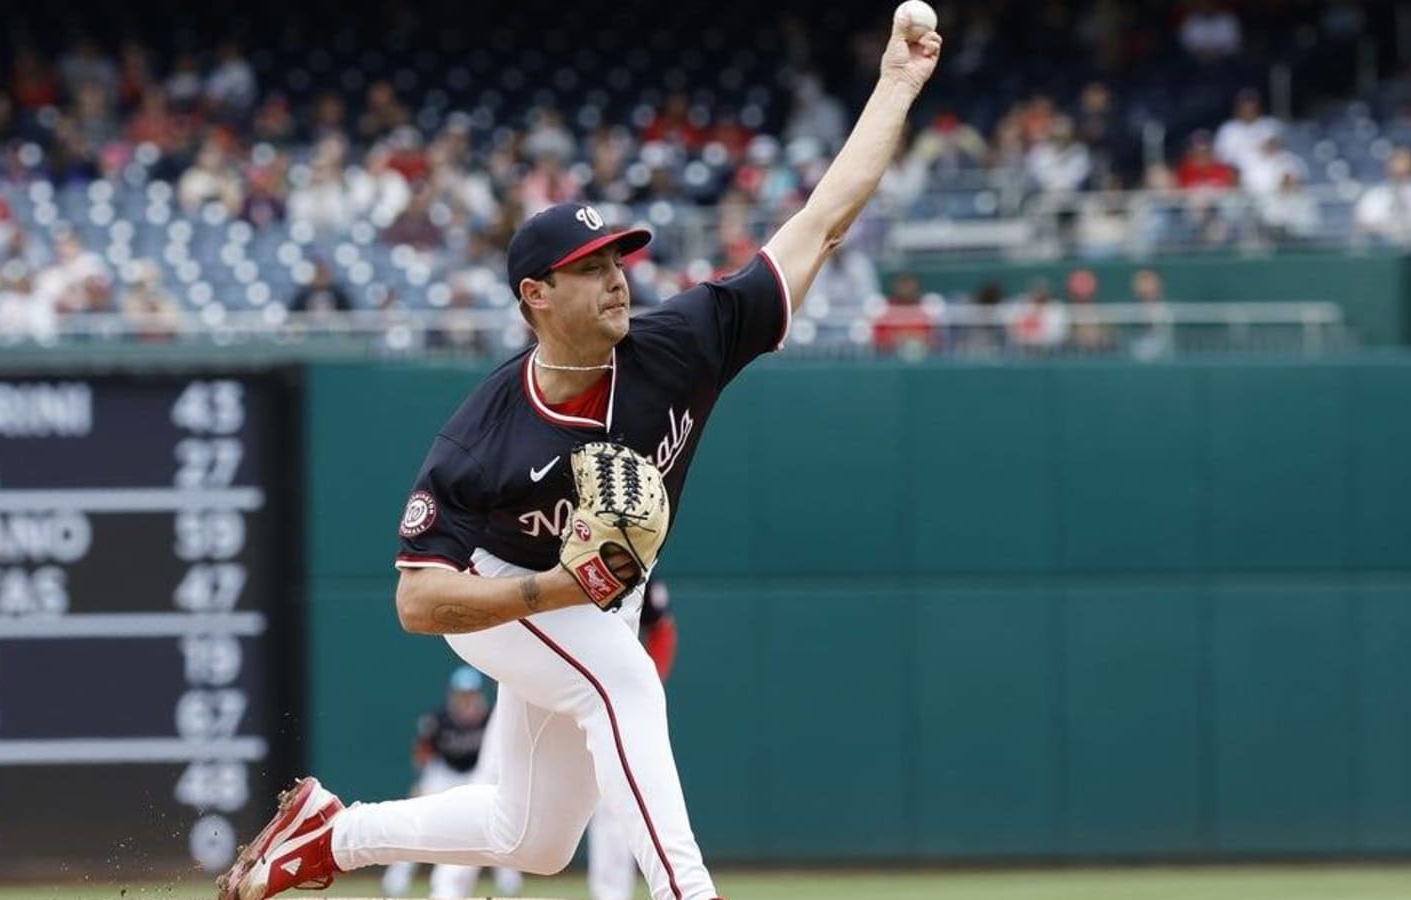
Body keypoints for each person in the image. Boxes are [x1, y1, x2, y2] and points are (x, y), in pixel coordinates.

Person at [218, 13, 943, 900]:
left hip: (596, 597)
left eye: (619, 257)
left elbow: (822, 222)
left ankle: (333, 836)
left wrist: (897, 86)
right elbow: (416, 600)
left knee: (532, 834)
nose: (618, 278)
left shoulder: (680, 342)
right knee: (623, 681)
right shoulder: (485, 433)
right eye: (592, 265)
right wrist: (553, 591)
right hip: (503, 585)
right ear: (536, 295)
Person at [379, 667, 525, 899]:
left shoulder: (491, 719)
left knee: (495, 819)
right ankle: (398, 878)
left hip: (476, 776)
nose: (466, 698)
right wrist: (423, 783)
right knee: (420, 819)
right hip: (445, 775)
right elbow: (423, 755)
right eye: (462, 694)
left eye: (471, 693)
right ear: (453, 695)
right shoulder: (439, 720)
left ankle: (509, 881)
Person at [587, 579, 677, 900]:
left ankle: (612, 896)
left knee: (614, 802)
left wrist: (648, 685)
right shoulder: (547, 552)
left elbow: (663, 628)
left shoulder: (638, 562)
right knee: (521, 825)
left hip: (612, 694)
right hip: (549, 682)